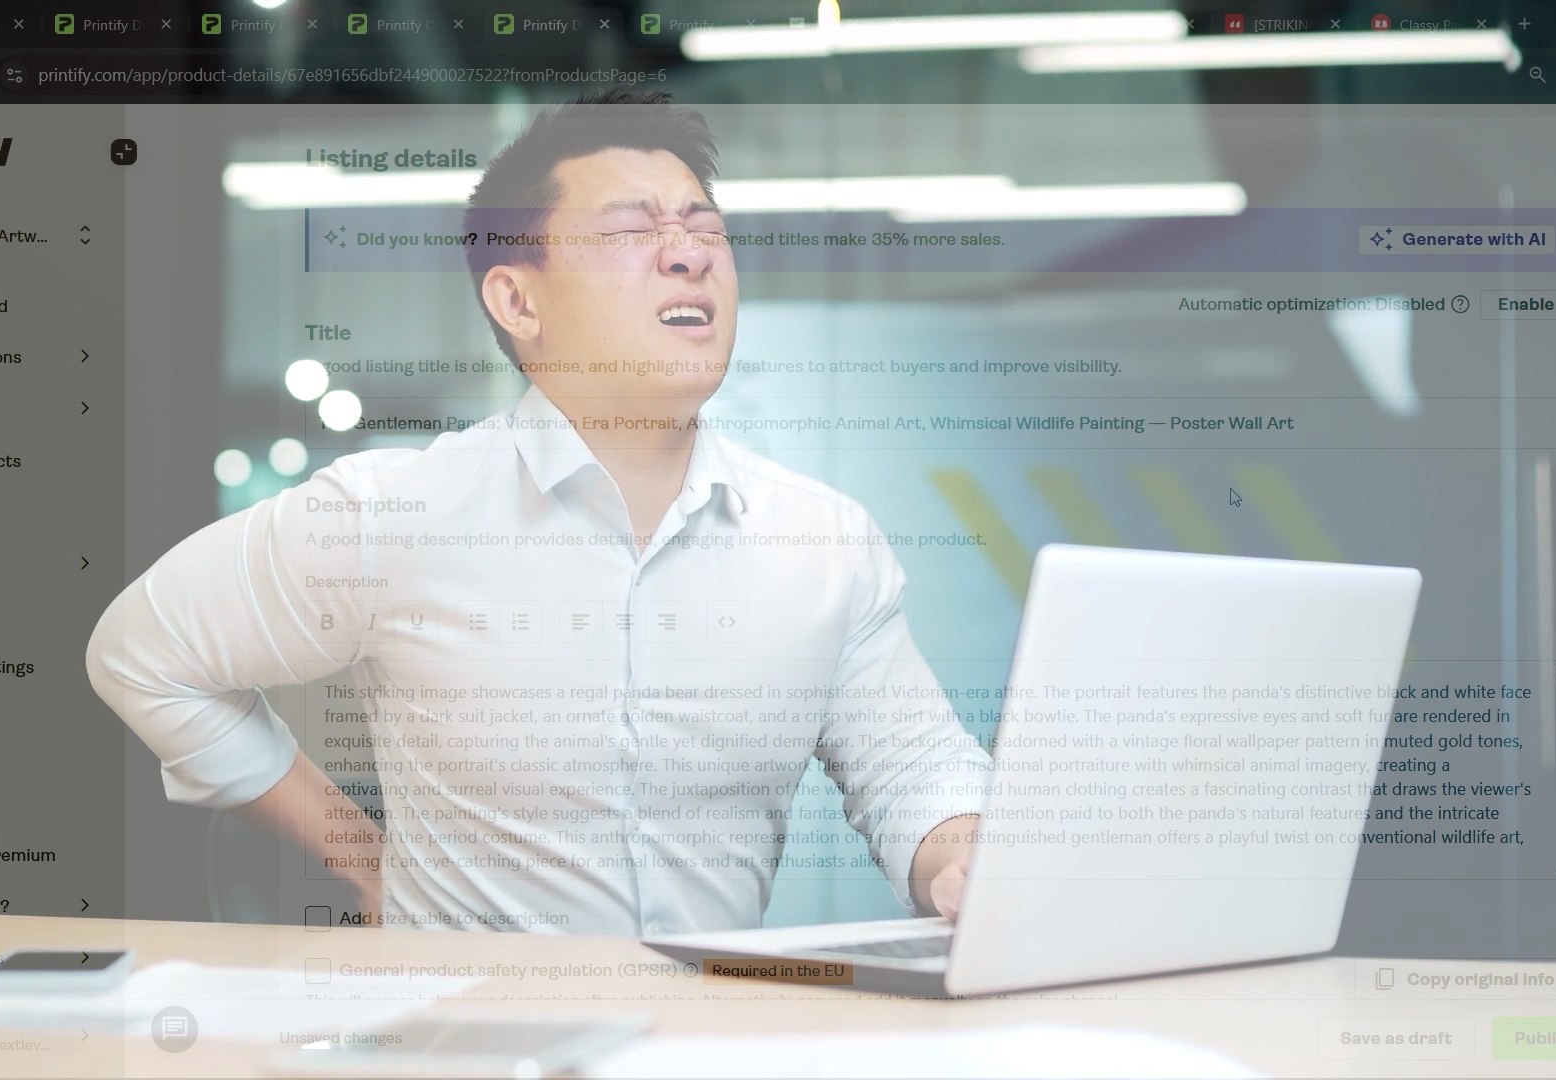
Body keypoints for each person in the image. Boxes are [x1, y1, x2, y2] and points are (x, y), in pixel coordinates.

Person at [87, 88, 989, 935]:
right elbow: (143, 653)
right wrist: (360, 856)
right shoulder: (395, 515)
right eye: (632, 230)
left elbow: (916, 770)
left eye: (703, 228)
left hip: (709, 1043)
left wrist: (965, 858)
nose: (688, 253)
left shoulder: (822, 544)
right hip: (465, 1046)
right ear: (518, 300)